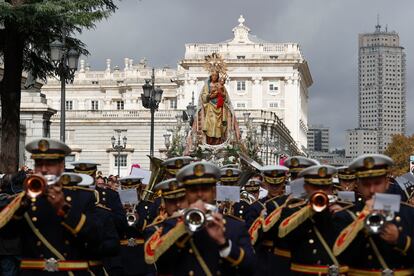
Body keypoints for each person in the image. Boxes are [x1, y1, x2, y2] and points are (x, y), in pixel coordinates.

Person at [0, 138, 107, 275]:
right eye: (39, 164)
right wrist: (22, 204)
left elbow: (96, 237)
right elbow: (7, 235)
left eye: (50, 164)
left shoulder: (82, 196)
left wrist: (64, 209)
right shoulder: (25, 199)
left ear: (61, 166)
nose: (44, 169)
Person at [144, 161, 256, 275]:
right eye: (193, 190)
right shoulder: (171, 225)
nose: (200, 195)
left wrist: (224, 243)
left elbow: (251, 267)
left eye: (205, 189)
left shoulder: (234, 226)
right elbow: (159, 262)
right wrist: (184, 226)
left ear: (214, 192)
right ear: (186, 194)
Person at [333, 154, 414, 275]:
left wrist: (400, 240)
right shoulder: (346, 214)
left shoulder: (408, 212)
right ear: (358, 185)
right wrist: (361, 221)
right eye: (366, 184)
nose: (372, 190)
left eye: (377, 183)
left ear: (387, 183)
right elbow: (340, 258)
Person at [278, 165, 352, 275]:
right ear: (306, 187)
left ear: (332, 189)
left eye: (326, 187)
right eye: (315, 187)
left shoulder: (344, 211)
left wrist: (343, 214)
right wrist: (309, 211)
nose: (321, 191)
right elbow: (284, 240)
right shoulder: (292, 210)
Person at [244, 165, 291, 276]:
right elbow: (249, 236)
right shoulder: (255, 207)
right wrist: (261, 220)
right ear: (265, 183)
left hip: (285, 257)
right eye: (271, 184)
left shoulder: (290, 204)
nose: (274, 187)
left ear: (283, 182)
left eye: (278, 184)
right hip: (263, 256)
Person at [118, 176, 156, 276]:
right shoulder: (117, 208)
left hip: (141, 254)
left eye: (133, 190)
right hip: (122, 254)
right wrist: (121, 213)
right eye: (126, 191)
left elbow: (154, 230)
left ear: (139, 190)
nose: (130, 194)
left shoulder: (148, 206)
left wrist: (139, 221)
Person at [200, 71, 232, 145]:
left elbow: (226, 97)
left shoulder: (221, 86)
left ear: (218, 77)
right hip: (210, 106)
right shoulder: (207, 86)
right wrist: (210, 96)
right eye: (213, 75)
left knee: (218, 125)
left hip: (219, 107)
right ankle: (210, 141)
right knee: (211, 123)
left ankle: (218, 141)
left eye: (216, 76)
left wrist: (220, 93)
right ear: (211, 76)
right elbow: (203, 96)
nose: (214, 77)